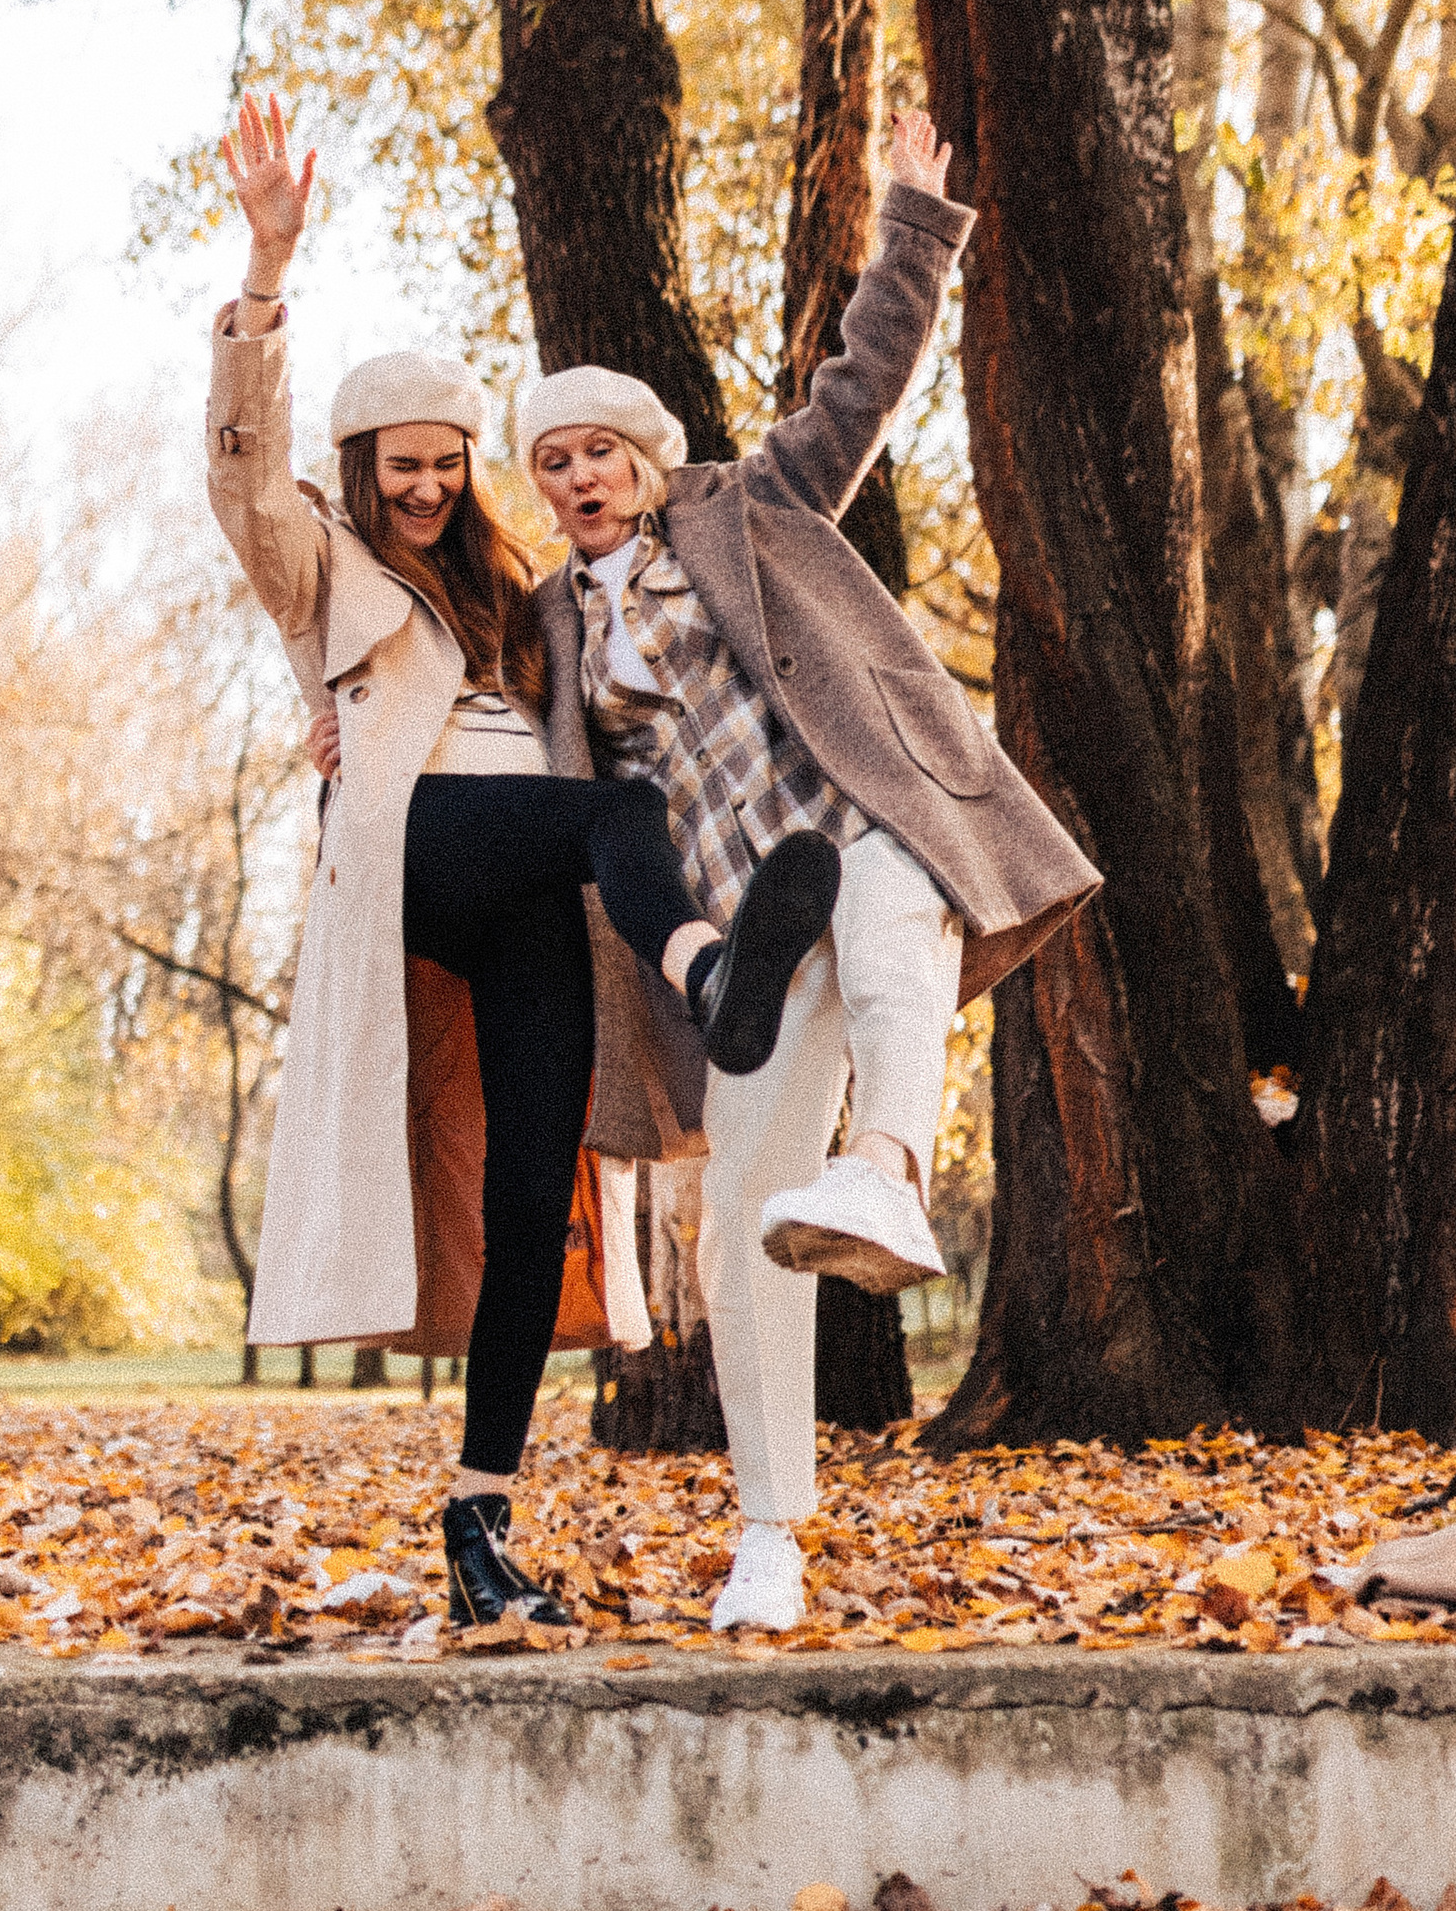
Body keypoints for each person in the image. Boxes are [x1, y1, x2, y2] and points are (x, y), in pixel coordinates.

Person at [207, 90, 841, 1626]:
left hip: (534, 900)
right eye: (397, 465)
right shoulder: (322, 563)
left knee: (529, 1198)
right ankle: (707, 964)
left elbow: (638, 668)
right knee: (611, 825)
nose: (423, 487)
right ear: (360, 465)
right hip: (422, 854)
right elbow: (241, 467)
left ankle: (480, 1524)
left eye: (444, 465)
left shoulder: (524, 596)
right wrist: (267, 272)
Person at [515, 108, 1101, 1636]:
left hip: (852, 828)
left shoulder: (751, 509)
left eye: (599, 453)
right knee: (744, 1225)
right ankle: (770, 1531)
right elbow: (443, 696)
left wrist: (914, 218)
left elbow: (867, 385)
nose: (579, 477)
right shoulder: (546, 630)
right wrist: (342, 724)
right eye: (552, 461)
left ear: (647, 462)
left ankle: (893, 1173)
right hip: (736, 949)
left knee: (898, 912)